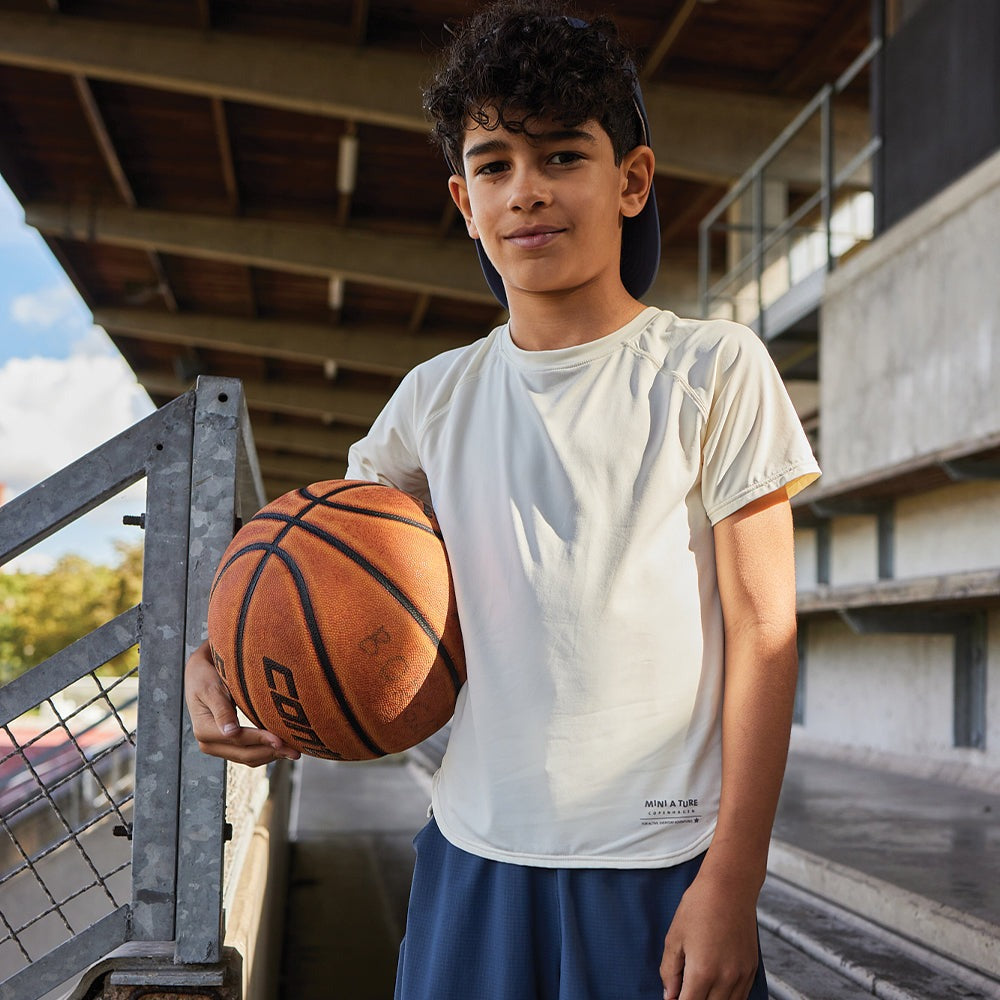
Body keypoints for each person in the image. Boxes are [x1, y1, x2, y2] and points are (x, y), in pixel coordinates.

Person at [185, 3, 821, 997]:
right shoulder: (431, 399)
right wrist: (221, 659)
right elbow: (317, 581)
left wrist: (733, 881)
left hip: (662, 861)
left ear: (631, 180)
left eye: (562, 156)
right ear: (464, 199)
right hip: (473, 850)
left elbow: (764, 631)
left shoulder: (713, 368)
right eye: (494, 166)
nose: (527, 190)